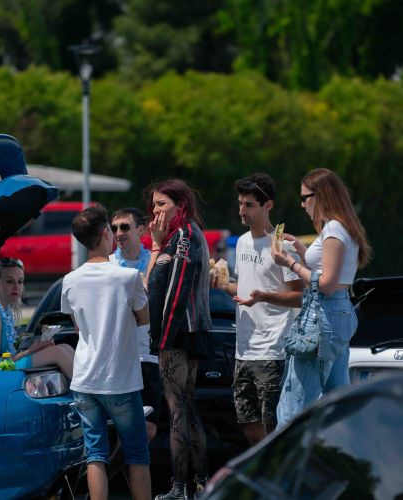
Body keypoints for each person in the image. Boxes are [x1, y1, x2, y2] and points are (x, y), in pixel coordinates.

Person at [60, 205, 151, 500]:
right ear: (105, 233)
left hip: (84, 378)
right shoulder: (128, 277)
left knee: (95, 453)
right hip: (120, 378)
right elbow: (144, 318)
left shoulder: (70, 280)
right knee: (137, 453)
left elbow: (77, 325)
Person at [271, 168, 371, 425]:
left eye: (305, 197)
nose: (302, 204)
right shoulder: (341, 227)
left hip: (323, 314)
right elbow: (328, 275)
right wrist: (302, 250)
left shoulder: (334, 230)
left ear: (321, 195)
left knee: (293, 408)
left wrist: (290, 263)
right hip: (336, 312)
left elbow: (326, 284)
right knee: (337, 405)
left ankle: (286, 452)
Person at [212, 173, 303, 446]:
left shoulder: (282, 245)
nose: (242, 210)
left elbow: (300, 296)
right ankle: (265, 468)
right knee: (249, 426)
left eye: (249, 205)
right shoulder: (241, 242)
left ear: (268, 206)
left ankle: (280, 471)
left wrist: (264, 297)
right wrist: (221, 284)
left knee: (275, 426)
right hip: (243, 348)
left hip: (273, 350)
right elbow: (244, 289)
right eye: (240, 203)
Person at [146, 179, 212, 500]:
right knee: (186, 407)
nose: (155, 211)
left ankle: (180, 487)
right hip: (189, 330)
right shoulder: (182, 235)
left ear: (180, 205)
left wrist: (162, 338)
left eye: (162, 204)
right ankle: (200, 485)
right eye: (153, 205)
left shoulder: (184, 236)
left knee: (178, 410)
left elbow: (174, 289)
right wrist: (158, 245)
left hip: (179, 331)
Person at [0, 258, 74, 378]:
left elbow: (5, 358)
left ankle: (84, 384)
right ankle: (82, 388)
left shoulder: (3, 311)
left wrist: (34, 348)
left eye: (20, 282)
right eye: (9, 281)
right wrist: (29, 351)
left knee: (65, 347)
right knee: (57, 353)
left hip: (2, 368)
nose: (16, 287)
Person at [109, 207, 162, 442]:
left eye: (124, 227)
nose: (118, 233)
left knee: (148, 428)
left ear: (141, 230)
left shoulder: (155, 261)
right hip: (116, 356)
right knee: (120, 427)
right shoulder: (108, 265)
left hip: (147, 354)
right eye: (114, 228)